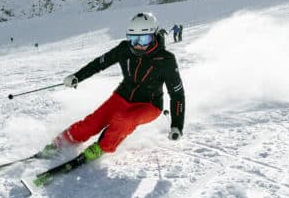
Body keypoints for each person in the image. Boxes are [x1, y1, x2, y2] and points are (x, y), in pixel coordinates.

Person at [41, 12, 185, 162]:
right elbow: (100, 63)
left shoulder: (166, 59)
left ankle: (101, 148)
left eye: (143, 39)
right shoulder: (125, 49)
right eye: (133, 39)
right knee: (92, 123)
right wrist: (77, 76)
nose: (137, 45)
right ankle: (61, 142)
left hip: (149, 105)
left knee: (124, 120)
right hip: (122, 96)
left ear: (154, 35)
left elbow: (177, 94)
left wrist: (177, 125)